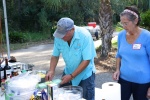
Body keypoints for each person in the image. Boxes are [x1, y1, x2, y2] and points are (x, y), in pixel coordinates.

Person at [45, 17, 96, 100]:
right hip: (68, 71)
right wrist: (51, 70)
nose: (61, 37)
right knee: (63, 97)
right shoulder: (59, 37)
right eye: (60, 34)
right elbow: (55, 56)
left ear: (72, 29)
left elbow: (86, 60)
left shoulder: (84, 36)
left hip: (85, 75)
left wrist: (72, 76)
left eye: (64, 35)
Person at [112, 6, 150, 100]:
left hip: (142, 82)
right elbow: (119, 54)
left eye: (126, 23)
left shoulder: (147, 36)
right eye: (122, 23)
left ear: (135, 21)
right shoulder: (121, 35)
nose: (123, 27)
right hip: (124, 79)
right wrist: (117, 70)